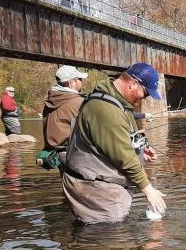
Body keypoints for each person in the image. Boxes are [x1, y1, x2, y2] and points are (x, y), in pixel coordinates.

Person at [62, 63, 166, 224]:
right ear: (133, 84)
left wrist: (140, 149)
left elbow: (117, 140)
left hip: (102, 186)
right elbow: (123, 156)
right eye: (145, 94)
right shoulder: (106, 109)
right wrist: (148, 189)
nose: (144, 99)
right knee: (111, 242)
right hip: (96, 190)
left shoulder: (116, 100)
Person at [42, 65, 88, 165]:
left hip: (55, 155)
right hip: (74, 155)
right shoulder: (79, 102)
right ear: (71, 83)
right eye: (79, 79)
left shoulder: (49, 100)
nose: (81, 82)